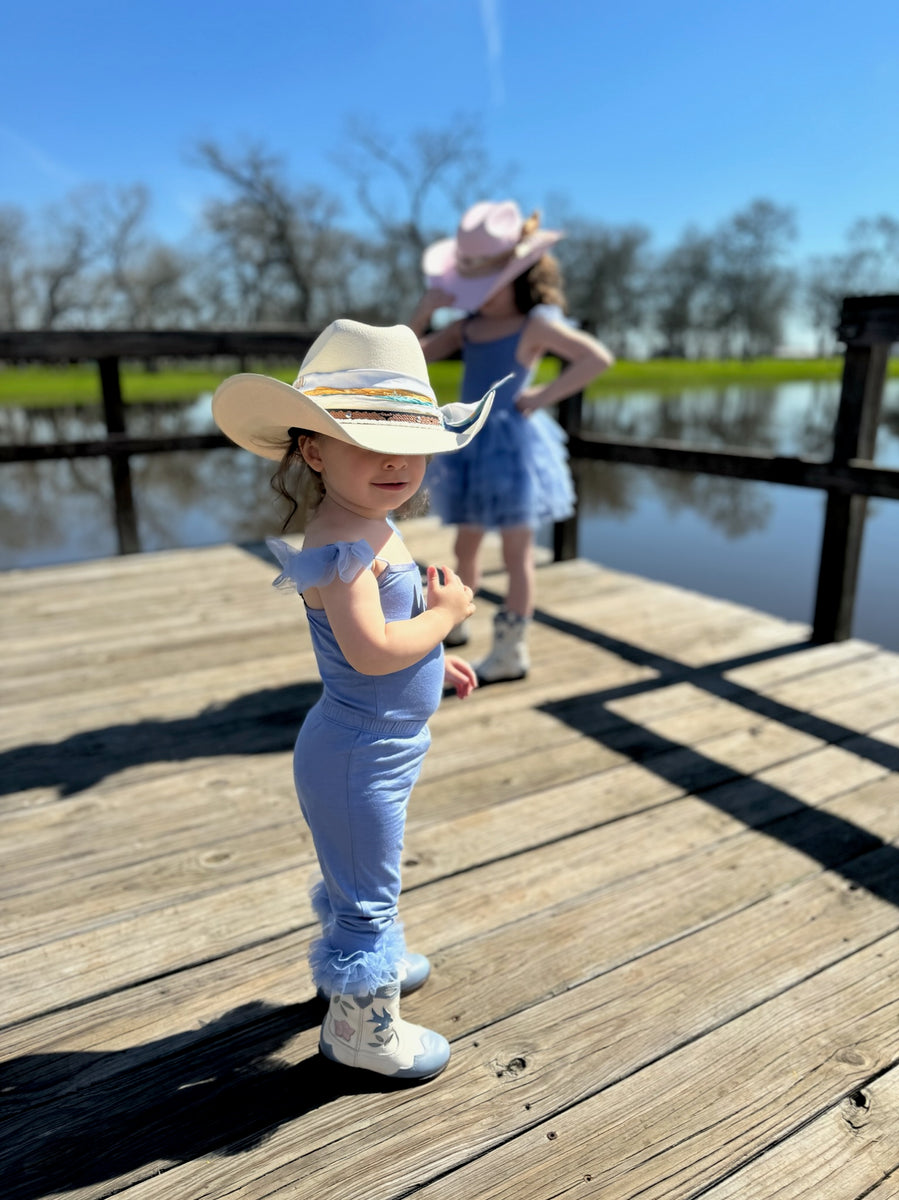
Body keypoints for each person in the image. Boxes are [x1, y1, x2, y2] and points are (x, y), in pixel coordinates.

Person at [211, 319, 497, 1082]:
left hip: (380, 741)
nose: (398, 462)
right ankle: (361, 1034)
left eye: (411, 443)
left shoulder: (371, 524)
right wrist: (448, 618)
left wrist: (434, 662)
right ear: (314, 450)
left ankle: (362, 974)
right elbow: (370, 652)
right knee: (368, 888)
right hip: (356, 751)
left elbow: (386, 644)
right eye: (369, 442)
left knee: (363, 872)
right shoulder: (340, 544)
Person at [409, 199, 615, 683]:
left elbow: (596, 359)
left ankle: (510, 649)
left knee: (518, 554)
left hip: (512, 447)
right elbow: (407, 357)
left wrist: (543, 395)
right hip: (470, 442)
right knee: (465, 546)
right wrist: (425, 309)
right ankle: (454, 625)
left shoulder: (535, 323)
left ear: (516, 277)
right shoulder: (470, 327)